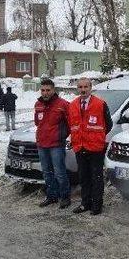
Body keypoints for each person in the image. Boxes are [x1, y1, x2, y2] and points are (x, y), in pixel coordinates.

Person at [68, 77, 112, 216]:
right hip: (80, 147)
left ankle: (97, 205)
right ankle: (85, 203)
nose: (83, 90)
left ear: (90, 88)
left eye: (85, 87)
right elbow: (72, 124)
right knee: (84, 178)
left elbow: (108, 125)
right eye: (80, 87)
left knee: (96, 178)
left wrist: (95, 136)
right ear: (77, 89)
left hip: (95, 148)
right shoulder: (73, 105)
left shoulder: (100, 104)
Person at [35, 78, 71, 209]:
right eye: (43, 90)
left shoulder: (63, 104)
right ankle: (52, 196)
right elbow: (37, 123)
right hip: (42, 144)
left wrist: (62, 135)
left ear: (53, 90)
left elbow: (71, 123)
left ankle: (65, 197)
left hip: (56, 145)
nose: (45, 93)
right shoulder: (38, 104)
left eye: (48, 90)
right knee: (47, 172)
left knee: (59, 172)